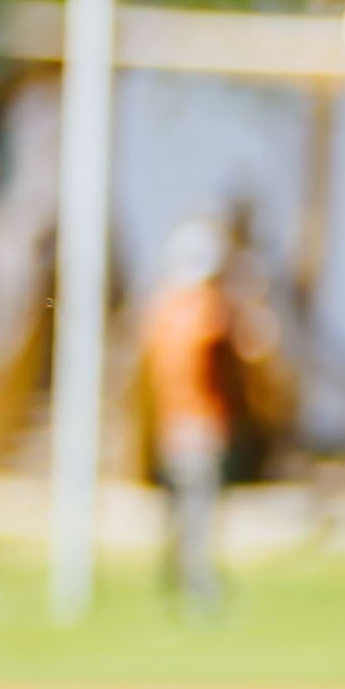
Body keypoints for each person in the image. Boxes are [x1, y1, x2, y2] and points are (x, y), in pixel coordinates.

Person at [139, 217, 239, 622]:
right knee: (197, 514)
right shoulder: (204, 312)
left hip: (171, 426)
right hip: (200, 426)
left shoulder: (161, 311)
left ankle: (177, 584)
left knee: (179, 515)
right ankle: (199, 592)